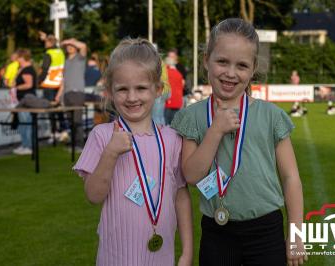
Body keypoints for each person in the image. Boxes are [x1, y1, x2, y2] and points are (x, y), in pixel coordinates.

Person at [171, 18, 306, 266]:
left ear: (253, 68)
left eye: (242, 65)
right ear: (206, 61)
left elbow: (291, 178)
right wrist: (215, 131)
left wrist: (296, 235)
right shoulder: (191, 117)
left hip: (266, 230)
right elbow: (190, 175)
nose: (230, 73)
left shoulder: (271, 116)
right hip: (217, 231)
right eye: (222, 61)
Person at [73, 38, 193, 266]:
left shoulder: (171, 138)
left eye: (140, 88)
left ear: (157, 89)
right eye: (122, 89)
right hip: (115, 258)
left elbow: (181, 196)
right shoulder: (101, 135)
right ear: (109, 91)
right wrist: (110, 153)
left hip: (162, 258)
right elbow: (93, 196)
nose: (132, 97)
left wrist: (187, 252)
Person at [60, 38, 87, 150]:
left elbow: (84, 46)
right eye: (68, 46)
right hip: (66, 94)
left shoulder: (80, 58)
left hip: (77, 93)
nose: (69, 47)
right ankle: (73, 143)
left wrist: (71, 40)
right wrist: (60, 95)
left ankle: (80, 145)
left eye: (72, 45)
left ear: (76, 47)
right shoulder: (65, 60)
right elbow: (63, 80)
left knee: (77, 120)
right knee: (71, 121)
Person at [38, 32, 66, 137]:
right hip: (58, 83)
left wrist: (39, 81)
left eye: (45, 42)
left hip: (49, 84)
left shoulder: (48, 53)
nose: (44, 44)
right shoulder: (60, 52)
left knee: (51, 110)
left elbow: (45, 69)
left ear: (49, 42)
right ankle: (63, 130)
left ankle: (54, 133)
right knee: (58, 109)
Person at [12, 49, 37, 155]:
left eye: (18, 57)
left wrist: (16, 87)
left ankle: (28, 146)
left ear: (22, 57)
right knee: (23, 123)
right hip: (22, 100)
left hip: (26, 99)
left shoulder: (28, 69)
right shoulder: (23, 68)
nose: (17, 59)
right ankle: (24, 145)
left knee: (26, 123)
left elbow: (29, 84)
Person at [164, 55, 185, 125]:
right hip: (178, 101)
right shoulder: (178, 74)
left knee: (166, 124)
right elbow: (182, 85)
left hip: (169, 101)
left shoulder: (166, 72)